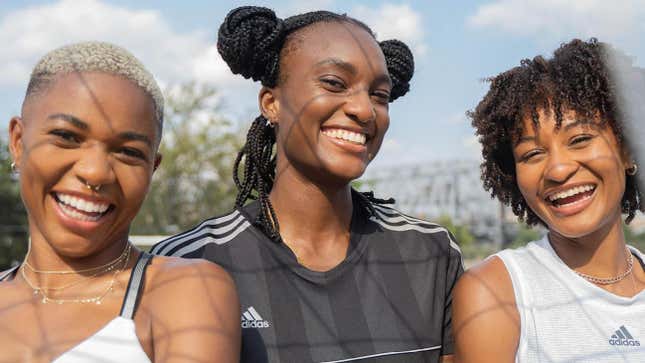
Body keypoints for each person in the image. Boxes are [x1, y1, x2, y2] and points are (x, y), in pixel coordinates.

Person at [151, 6, 463, 363]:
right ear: (272, 103)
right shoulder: (187, 262)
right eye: (334, 83)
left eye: (379, 95)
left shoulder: (431, 253)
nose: (364, 109)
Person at [0, 42, 240, 362]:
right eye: (67, 137)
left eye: (129, 152)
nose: (96, 172)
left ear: (152, 169)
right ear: (18, 142)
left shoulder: (180, 291)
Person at [453, 38, 645, 362]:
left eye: (580, 139)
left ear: (627, 151)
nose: (557, 169)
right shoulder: (497, 292)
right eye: (532, 154)